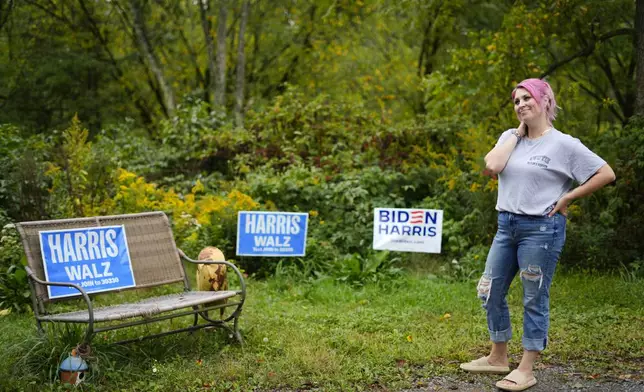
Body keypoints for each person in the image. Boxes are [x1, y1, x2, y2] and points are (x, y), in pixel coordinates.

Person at [459, 78, 616, 392]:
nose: (521, 105)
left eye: (527, 98)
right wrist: (517, 134)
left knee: (533, 298)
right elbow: (492, 165)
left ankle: (526, 368)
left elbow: (606, 173)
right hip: (507, 226)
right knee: (488, 290)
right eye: (516, 101)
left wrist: (569, 197)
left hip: (541, 230)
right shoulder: (510, 137)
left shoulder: (563, 144)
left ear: (545, 100)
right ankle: (498, 358)